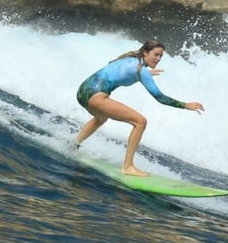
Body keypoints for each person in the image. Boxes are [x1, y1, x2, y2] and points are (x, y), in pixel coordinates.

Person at [73, 39, 204, 176]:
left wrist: (145, 75)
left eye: (161, 56)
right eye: (156, 54)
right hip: (96, 96)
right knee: (140, 122)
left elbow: (120, 73)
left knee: (101, 118)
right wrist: (185, 105)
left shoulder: (130, 59)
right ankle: (128, 167)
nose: (158, 59)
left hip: (83, 91)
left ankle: (74, 145)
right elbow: (159, 97)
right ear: (146, 52)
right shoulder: (141, 71)